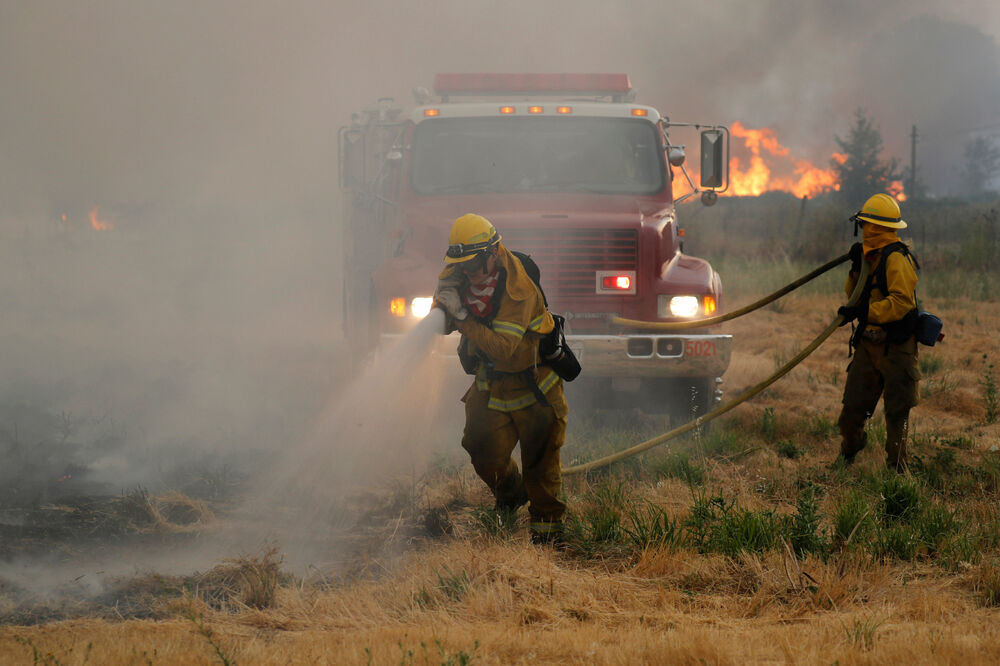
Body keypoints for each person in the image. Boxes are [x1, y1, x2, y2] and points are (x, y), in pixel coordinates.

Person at [433, 213, 569, 544]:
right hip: (491, 382)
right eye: (461, 265)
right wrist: (442, 310)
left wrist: (462, 315)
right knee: (479, 448)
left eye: (472, 266)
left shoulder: (518, 289)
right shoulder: (461, 268)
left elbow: (503, 348)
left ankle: (547, 539)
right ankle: (510, 493)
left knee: (540, 464)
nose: (467, 273)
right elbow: (442, 321)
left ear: (492, 253)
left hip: (535, 383)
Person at [835, 193, 921, 472]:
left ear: (876, 228)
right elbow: (853, 295)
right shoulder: (867, 256)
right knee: (851, 411)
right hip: (868, 345)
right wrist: (855, 268)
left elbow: (902, 302)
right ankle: (850, 450)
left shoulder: (897, 259)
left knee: (897, 412)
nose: (863, 231)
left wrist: (865, 313)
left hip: (896, 347)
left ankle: (897, 470)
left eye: (866, 226)